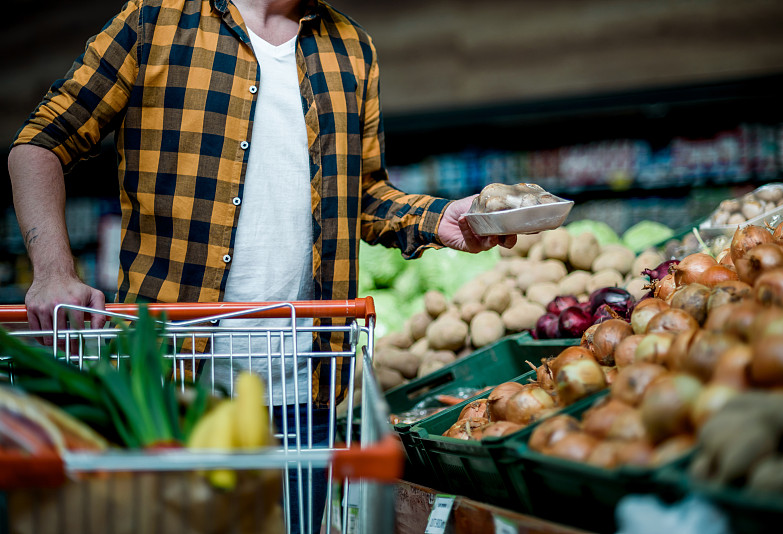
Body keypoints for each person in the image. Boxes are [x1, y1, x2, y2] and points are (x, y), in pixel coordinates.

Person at [8, 0, 515, 531]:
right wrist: (52, 271)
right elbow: (41, 142)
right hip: (173, 389)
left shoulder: (352, 48)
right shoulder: (155, 20)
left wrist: (440, 219)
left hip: (307, 395)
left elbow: (360, 194)